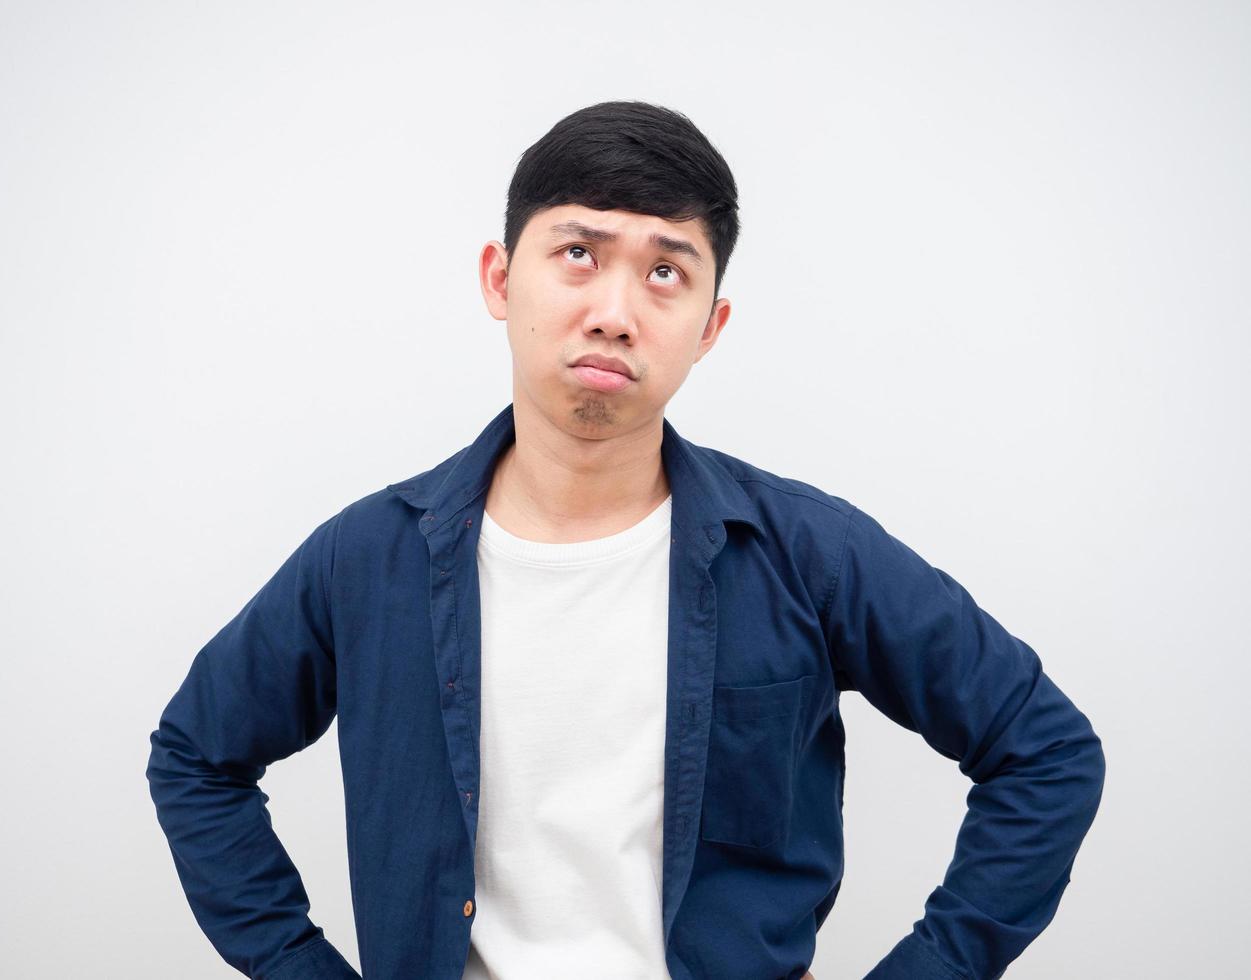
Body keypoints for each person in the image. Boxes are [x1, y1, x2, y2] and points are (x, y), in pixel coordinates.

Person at [146, 100, 1106, 980]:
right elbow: (196, 754)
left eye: (664, 271)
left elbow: (1044, 750)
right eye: (577, 252)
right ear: (498, 276)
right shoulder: (366, 562)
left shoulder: (804, 554)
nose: (613, 311)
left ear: (709, 325)